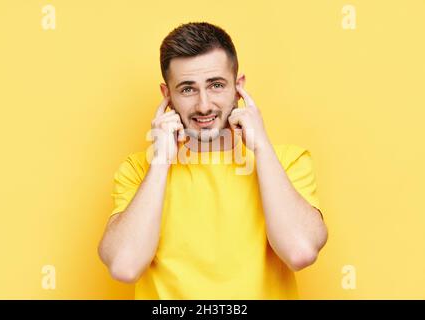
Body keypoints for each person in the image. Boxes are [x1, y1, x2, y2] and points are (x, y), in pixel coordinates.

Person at [98, 22, 328, 299]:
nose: (204, 105)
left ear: (238, 87)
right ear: (167, 95)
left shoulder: (287, 162)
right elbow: (125, 266)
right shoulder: (138, 170)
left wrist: (262, 148)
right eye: (187, 89)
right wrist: (160, 161)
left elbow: (300, 252)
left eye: (216, 85)